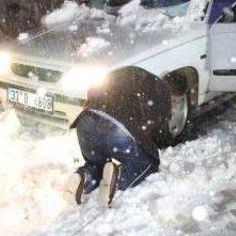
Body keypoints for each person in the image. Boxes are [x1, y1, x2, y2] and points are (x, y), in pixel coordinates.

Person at [62, 68, 171, 207]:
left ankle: (83, 177)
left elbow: (93, 89)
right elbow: (157, 129)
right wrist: (155, 150)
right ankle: (118, 177)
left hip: (86, 121)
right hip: (116, 125)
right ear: (173, 90)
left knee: (96, 164)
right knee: (147, 164)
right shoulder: (162, 91)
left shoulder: (131, 72)